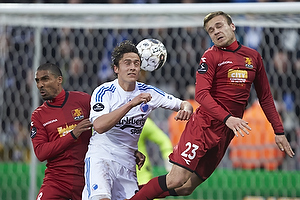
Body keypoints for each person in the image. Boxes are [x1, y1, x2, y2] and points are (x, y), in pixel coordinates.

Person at [127, 11, 295, 200]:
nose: (215, 32)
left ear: (232, 26)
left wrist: (279, 131)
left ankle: (130, 193)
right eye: (210, 30)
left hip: (225, 132)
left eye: (219, 26)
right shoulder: (210, 57)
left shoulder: (253, 57)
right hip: (204, 127)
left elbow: (265, 97)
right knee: (176, 179)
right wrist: (227, 118)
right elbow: (201, 94)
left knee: (187, 188)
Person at [81, 40, 193, 200]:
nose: (133, 67)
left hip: (127, 163)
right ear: (116, 68)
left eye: (136, 63)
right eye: (127, 63)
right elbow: (99, 126)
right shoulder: (104, 92)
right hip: (101, 158)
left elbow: (183, 104)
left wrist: (186, 109)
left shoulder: (149, 92)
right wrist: (131, 103)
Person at [30, 62, 93, 200]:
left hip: (87, 178)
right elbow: (41, 153)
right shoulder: (38, 115)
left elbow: (105, 126)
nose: (40, 85)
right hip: (56, 181)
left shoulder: (83, 100)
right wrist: (72, 135)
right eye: (37, 81)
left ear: (59, 79)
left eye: (45, 79)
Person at [137, 118, 173, 185]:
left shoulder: (141, 122)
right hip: (115, 176)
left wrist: (168, 157)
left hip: (142, 177)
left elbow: (163, 140)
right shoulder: (112, 120)